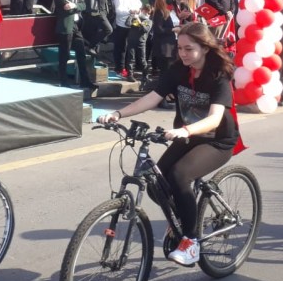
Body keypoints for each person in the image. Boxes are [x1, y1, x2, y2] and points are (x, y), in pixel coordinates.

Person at [97, 22, 239, 266]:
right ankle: (181, 220)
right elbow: (152, 98)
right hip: (186, 136)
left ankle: (191, 241)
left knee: (179, 175)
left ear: (205, 48)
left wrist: (185, 130)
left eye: (188, 49)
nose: (183, 53)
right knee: (157, 183)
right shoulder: (178, 71)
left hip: (217, 141)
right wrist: (118, 114)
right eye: (179, 48)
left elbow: (215, 119)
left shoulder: (218, 75)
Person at [54, 0, 94, 90]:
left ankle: (85, 81)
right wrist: (75, 6)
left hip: (76, 26)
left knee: (81, 54)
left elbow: (84, 5)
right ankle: (63, 81)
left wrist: (74, 5)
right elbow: (65, 7)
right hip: (66, 26)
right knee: (64, 55)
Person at [111, 0, 142, 82]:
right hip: (122, 24)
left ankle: (130, 69)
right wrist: (130, 10)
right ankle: (120, 68)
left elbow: (139, 5)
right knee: (121, 47)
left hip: (134, 22)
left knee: (131, 47)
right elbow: (119, 10)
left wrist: (137, 10)